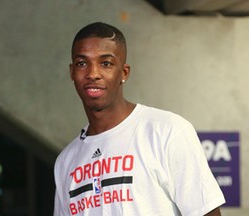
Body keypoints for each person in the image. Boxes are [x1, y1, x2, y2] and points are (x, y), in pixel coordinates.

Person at [54, 22, 225, 216]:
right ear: (72, 73)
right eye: (82, 64)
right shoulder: (66, 161)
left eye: (106, 63)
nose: (93, 74)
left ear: (124, 73)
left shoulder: (168, 132)